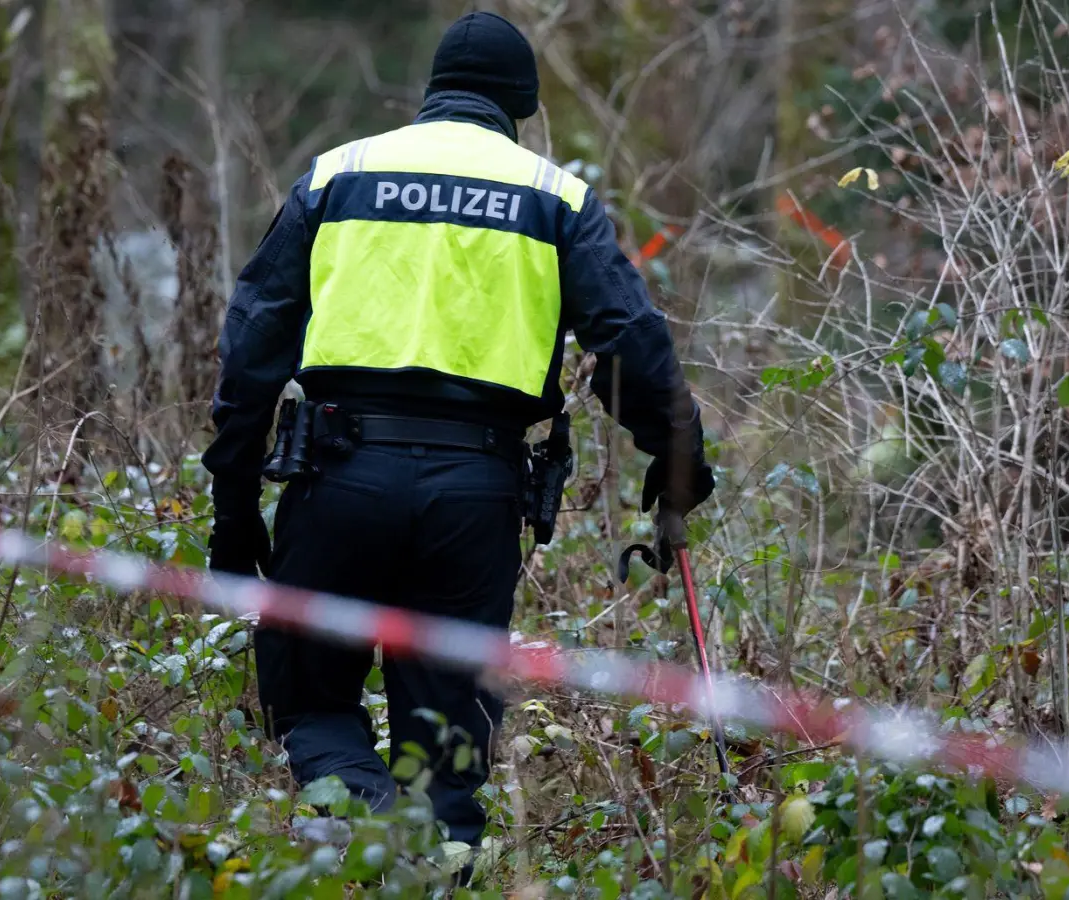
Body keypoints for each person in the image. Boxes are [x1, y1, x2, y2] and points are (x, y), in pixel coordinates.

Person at [202, 9, 713, 860]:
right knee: (446, 751)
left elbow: (251, 347)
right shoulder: (558, 197)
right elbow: (628, 335)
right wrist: (678, 451)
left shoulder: (337, 174)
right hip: (474, 497)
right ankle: (435, 862)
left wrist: (234, 506)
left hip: (337, 480)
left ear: (431, 94)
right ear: (522, 106)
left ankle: (352, 819)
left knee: (314, 702)